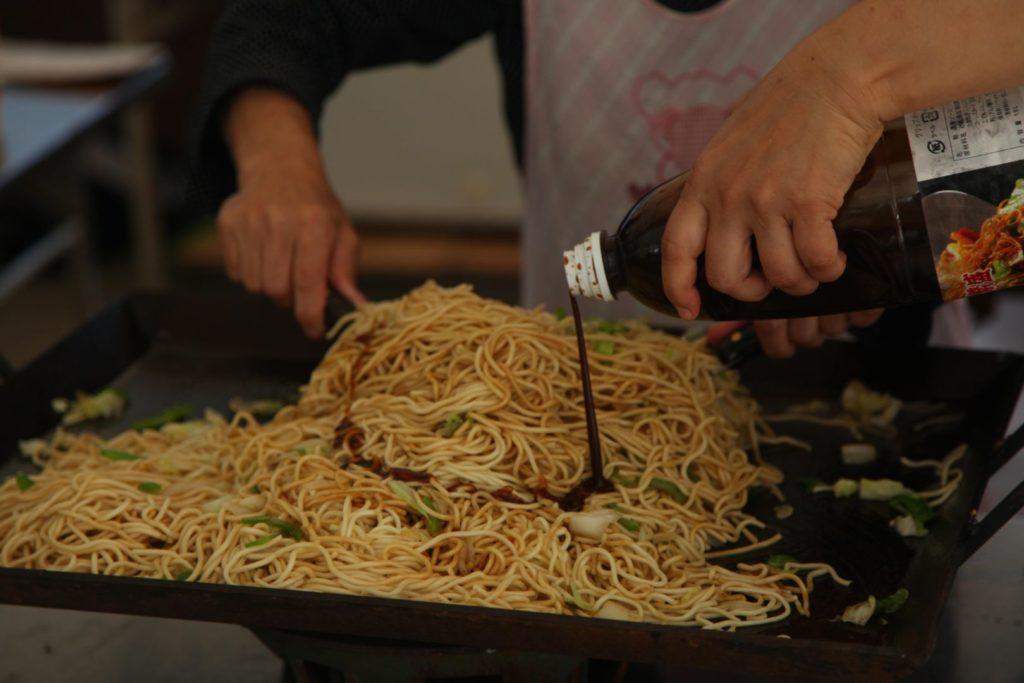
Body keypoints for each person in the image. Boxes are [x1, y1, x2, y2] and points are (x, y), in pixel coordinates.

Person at [192, 0, 999, 355]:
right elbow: (285, 17)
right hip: (572, 394)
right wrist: (277, 166)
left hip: (876, 379)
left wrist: (857, 272)